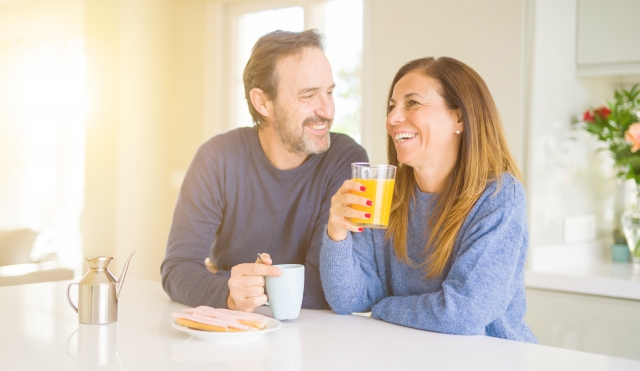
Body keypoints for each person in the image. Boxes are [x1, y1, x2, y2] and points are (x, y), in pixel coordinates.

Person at [320, 56, 536, 343]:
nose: (392, 119)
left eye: (412, 103)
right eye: (392, 106)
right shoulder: (386, 195)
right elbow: (349, 300)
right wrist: (337, 234)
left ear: (459, 117)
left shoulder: (498, 197)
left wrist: (383, 307)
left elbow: (463, 313)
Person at [161, 29, 368, 312]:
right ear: (262, 102)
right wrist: (229, 292)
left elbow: (326, 287)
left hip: (314, 337)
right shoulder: (217, 158)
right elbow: (177, 269)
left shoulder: (346, 160)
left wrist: (224, 280)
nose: (328, 110)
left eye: (329, 92)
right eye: (308, 95)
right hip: (235, 333)